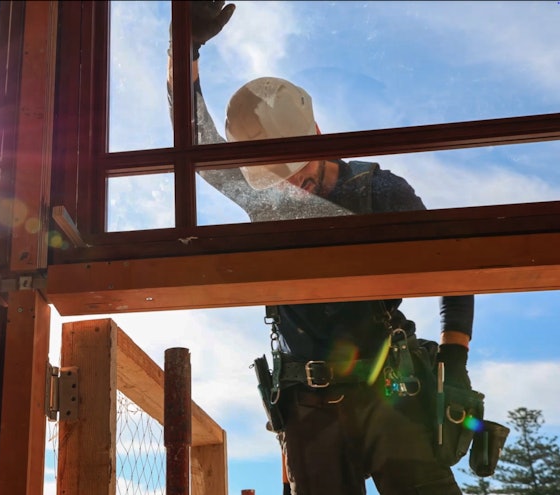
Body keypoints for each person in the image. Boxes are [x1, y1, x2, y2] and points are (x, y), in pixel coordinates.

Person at [168, 2, 477, 494]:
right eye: (281, 182)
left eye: (302, 175)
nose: (296, 190)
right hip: (308, 400)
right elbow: (196, 141)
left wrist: (454, 362)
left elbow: (451, 269)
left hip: (391, 389)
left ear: (317, 136)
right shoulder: (265, 198)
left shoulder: (382, 192)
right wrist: (184, 50)